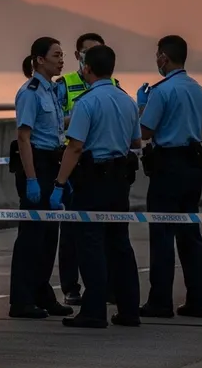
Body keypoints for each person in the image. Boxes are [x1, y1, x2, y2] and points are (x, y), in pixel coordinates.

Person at [53, 44, 141, 329]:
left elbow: (75, 146)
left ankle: (93, 311)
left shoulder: (87, 103)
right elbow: (136, 142)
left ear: (87, 68)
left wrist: (59, 183)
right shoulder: (127, 101)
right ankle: (129, 310)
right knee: (119, 244)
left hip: (92, 180)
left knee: (90, 244)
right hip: (120, 180)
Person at [137, 35, 202, 319]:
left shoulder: (162, 91)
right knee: (191, 233)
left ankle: (160, 301)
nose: (157, 61)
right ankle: (198, 301)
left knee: (163, 233)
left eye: (158, 56)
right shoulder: (199, 90)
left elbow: (144, 131)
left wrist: (142, 105)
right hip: (193, 167)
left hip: (168, 166)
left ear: (164, 58)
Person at [8, 37, 73, 320]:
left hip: (54, 162)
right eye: (56, 55)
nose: (61, 60)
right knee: (32, 237)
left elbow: (58, 129)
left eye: (62, 55)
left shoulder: (53, 92)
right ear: (39, 59)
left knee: (50, 235)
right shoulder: (31, 92)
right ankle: (21, 299)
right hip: (37, 164)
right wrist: (32, 178)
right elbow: (23, 137)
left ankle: (42, 292)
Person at [55, 32, 120, 306]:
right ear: (77, 56)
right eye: (86, 52)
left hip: (102, 167)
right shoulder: (64, 85)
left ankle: (105, 288)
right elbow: (54, 122)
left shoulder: (114, 84)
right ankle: (71, 287)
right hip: (74, 165)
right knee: (71, 233)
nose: (90, 56)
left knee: (106, 234)